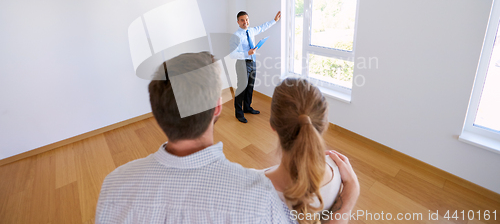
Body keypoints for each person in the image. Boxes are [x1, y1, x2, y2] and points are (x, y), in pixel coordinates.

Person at [96, 52, 358, 224]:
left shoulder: (113, 186)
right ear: (218, 107)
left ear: (156, 113)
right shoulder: (260, 198)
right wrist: (347, 205)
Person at [260, 78, 360, 224]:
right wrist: (351, 193)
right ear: (324, 123)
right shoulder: (338, 172)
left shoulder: (253, 185)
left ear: (272, 125)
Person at [230, 10, 281, 123]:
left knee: (250, 86)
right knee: (242, 88)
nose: (245, 22)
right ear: (238, 22)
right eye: (242, 20)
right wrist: (247, 53)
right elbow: (232, 54)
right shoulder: (235, 36)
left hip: (252, 62)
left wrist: (274, 20)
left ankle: (247, 107)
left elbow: (263, 27)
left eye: (247, 19)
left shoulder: (251, 31)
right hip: (242, 62)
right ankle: (239, 113)